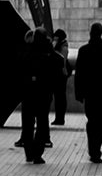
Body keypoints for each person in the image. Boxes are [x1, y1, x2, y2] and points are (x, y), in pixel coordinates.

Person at [73, 21, 102, 164]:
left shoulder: (83, 51)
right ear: (101, 33)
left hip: (90, 94)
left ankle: (92, 149)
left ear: (90, 33)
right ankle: (96, 150)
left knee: (92, 121)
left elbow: (79, 74)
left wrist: (79, 93)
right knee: (101, 124)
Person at [20, 28, 58, 163]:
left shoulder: (28, 51)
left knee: (28, 124)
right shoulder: (48, 52)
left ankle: (29, 152)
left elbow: (22, 71)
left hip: (29, 93)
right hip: (44, 93)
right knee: (42, 123)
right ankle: (37, 153)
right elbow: (55, 70)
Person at [51, 28, 70, 125]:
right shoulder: (60, 46)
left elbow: (62, 60)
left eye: (56, 38)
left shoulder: (63, 47)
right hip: (58, 74)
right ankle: (58, 118)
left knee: (60, 97)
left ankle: (60, 118)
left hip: (61, 75)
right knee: (58, 97)